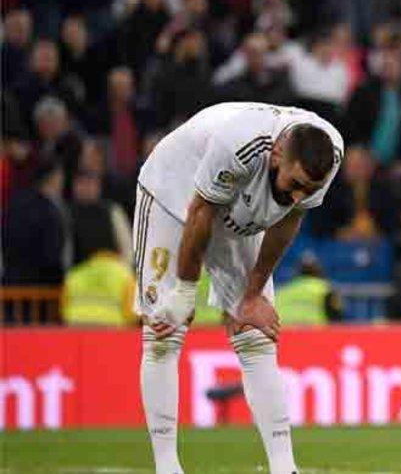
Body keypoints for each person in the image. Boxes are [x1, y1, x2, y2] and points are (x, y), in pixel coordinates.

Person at [134, 102, 343, 474]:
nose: (297, 196)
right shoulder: (240, 142)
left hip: (241, 204)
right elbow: (200, 212)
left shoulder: (329, 153)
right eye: (294, 185)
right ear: (277, 153)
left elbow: (288, 220)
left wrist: (251, 296)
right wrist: (184, 291)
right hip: (174, 189)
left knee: (256, 334)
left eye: (305, 190)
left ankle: (285, 468)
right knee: (163, 332)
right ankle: (167, 467)